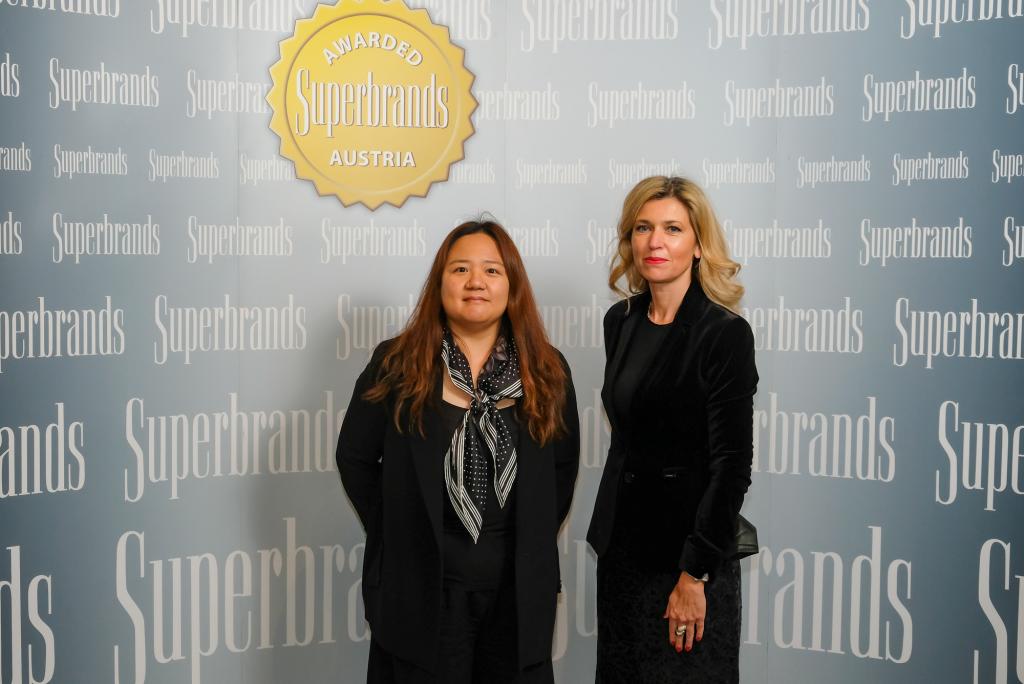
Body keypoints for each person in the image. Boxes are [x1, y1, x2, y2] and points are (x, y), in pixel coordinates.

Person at [337, 219, 580, 684]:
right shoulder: (396, 364)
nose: (475, 282)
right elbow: (355, 458)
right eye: (460, 269)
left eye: (492, 270)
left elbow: (561, 471)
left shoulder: (548, 370)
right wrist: (399, 528)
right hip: (420, 595)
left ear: (512, 285)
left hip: (516, 597)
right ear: (440, 282)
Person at [587, 176, 758, 683]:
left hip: (688, 560)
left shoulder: (724, 334)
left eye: (672, 229)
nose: (655, 241)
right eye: (643, 228)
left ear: (699, 244)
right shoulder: (620, 321)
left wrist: (695, 573)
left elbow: (731, 468)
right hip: (623, 555)